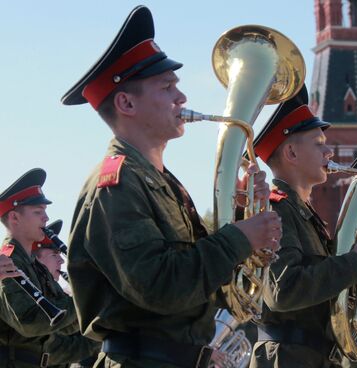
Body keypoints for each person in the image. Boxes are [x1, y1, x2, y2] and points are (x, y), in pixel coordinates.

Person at [61, 6, 281, 368]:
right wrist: (240, 237)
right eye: (167, 87)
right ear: (126, 102)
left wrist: (243, 212)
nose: (181, 98)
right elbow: (160, 286)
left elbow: (200, 283)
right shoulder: (114, 185)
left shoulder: (161, 181)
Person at [249, 84, 357, 368]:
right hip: (287, 359)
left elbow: (327, 287)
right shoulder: (275, 208)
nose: (329, 151)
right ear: (291, 153)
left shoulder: (304, 214)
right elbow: (284, 291)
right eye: (318, 143)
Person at [0, 168, 79, 367]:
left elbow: (62, 326)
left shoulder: (36, 267)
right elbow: (30, 323)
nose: (45, 218)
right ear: (14, 218)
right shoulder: (8, 262)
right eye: (38, 212)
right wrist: (86, 298)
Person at [34, 220, 101, 368]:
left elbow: (70, 327)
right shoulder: (31, 295)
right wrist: (102, 334)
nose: (62, 261)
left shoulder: (51, 293)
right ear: (35, 259)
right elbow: (54, 349)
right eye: (54, 255)